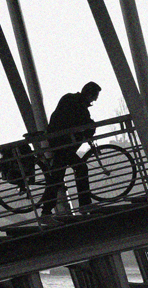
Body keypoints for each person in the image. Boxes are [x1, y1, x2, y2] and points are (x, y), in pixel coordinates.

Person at [38, 81, 102, 224]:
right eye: (94, 97)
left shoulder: (68, 99)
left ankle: (48, 212)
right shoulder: (80, 108)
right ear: (89, 94)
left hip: (57, 142)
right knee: (69, 172)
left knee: (59, 175)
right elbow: (84, 123)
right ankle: (81, 206)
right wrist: (89, 130)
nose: (94, 101)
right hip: (63, 145)